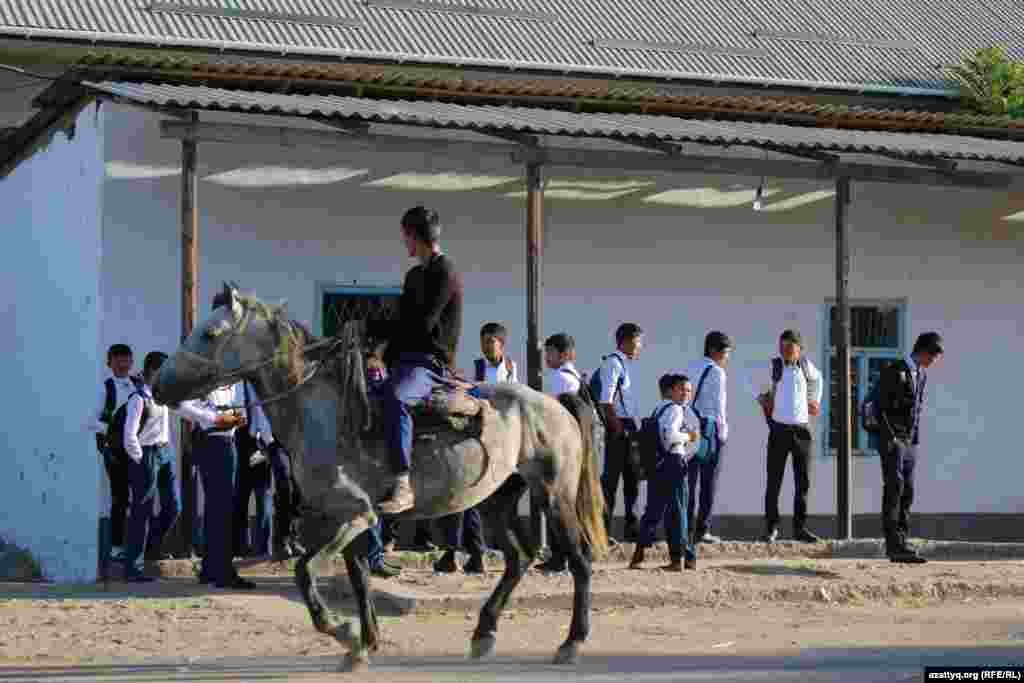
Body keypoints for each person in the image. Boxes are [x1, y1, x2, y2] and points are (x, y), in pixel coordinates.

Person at [379, 205, 464, 515]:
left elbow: (423, 325)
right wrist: (367, 333)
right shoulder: (414, 274)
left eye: (405, 236)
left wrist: (389, 338)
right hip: (406, 359)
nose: (404, 242)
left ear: (415, 236)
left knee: (396, 397)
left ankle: (402, 482)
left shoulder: (446, 272)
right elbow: (400, 320)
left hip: (430, 363)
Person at [176, 293, 257, 590]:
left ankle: (213, 568)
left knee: (221, 508)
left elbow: (235, 394)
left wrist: (237, 416)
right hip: (212, 440)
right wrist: (214, 419)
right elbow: (180, 402)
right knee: (221, 508)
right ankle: (220, 571)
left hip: (229, 439)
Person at [434, 322, 515, 574]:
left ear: (501, 344)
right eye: (483, 341)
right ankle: (467, 552)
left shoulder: (511, 369)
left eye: (490, 342)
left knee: (469, 497)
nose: (485, 347)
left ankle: (461, 552)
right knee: (467, 495)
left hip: (499, 436)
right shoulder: (476, 366)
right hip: (476, 433)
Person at [877, 332, 944, 564]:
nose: (933, 361)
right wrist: (891, 438)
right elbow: (879, 406)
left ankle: (902, 541)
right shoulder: (895, 371)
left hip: (910, 442)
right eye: (933, 356)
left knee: (908, 492)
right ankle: (893, 545)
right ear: (923, 351)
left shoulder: (921, 375)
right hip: (893, 441)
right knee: (894, 491)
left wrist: (914, 440)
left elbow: (917, 408)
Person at [757, 330, 823, 544]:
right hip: (779, 430)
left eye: (789, 347)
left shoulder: (805, 366)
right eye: (782, 346)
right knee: (774, 481)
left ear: (799, 348)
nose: (785, 350)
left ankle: (800, 528)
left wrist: (815, 400)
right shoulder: (773, 366)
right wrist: (761, 397)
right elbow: (752, 379)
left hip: (802, 431)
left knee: (802, 482)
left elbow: (818, 379)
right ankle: (771, 528)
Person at [630, 373, 700, 572]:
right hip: (674, 461)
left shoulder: (658, 409)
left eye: (688, 391)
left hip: (657, 465)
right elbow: (670, 437)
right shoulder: (676, 409)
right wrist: (689, 436)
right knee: (679, 510)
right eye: (682, 390)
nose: (686, 394)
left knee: (652, 510)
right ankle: (680, 559)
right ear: (670, 391)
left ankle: (638, 555)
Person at [120, 352, 180, 582]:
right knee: (141, 511)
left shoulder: (161, 394)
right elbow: (129, 436)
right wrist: (140, 459)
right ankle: (132, 568)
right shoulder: (138, 399)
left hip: (165, 452)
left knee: (173, 506)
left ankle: (151, 548)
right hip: (146, 454)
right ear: (154, 371)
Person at [536, 332, 581, 573]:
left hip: (558, 444)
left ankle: (560, 556)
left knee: (555, 502)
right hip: (573, 446)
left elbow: (549, 411)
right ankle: (565, 555)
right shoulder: (575, 377)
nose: (546, 357)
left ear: (563, 355)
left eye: (550, 352)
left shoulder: (558, 378)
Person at [94, 343, 142, 561]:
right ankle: (116, 546)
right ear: (109, 362)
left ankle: (137, 546)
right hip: (116, 452)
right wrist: (106, 446)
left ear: (131, 361)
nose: (122, 364)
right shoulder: (106, 388)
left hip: (139, 448)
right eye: (117, 359)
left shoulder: (138, 385)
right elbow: (97, 421)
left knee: (142, 497)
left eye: (126, 359)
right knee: (120, 499)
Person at [598, 323, 644, 542]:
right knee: (611, 482)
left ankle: (632, 531)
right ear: (625, 341)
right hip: (619, 427)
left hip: (629, 426)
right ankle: (603, 531)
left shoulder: (625, 364)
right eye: (637, 342)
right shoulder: (613, 364)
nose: (639, 347)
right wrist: (618, 430)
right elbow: (605, 402)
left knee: (633, 480)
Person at [687, 331, 733, 545]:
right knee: (709, 481)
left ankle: (686, 527)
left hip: (691, 428)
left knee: (690, 479)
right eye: (725, 353)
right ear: (714, 351)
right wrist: (722, 434)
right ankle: (702, 529)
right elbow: (718, 407)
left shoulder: (692, 366)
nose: (727, 358)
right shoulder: (717, 372)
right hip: (709, 429)